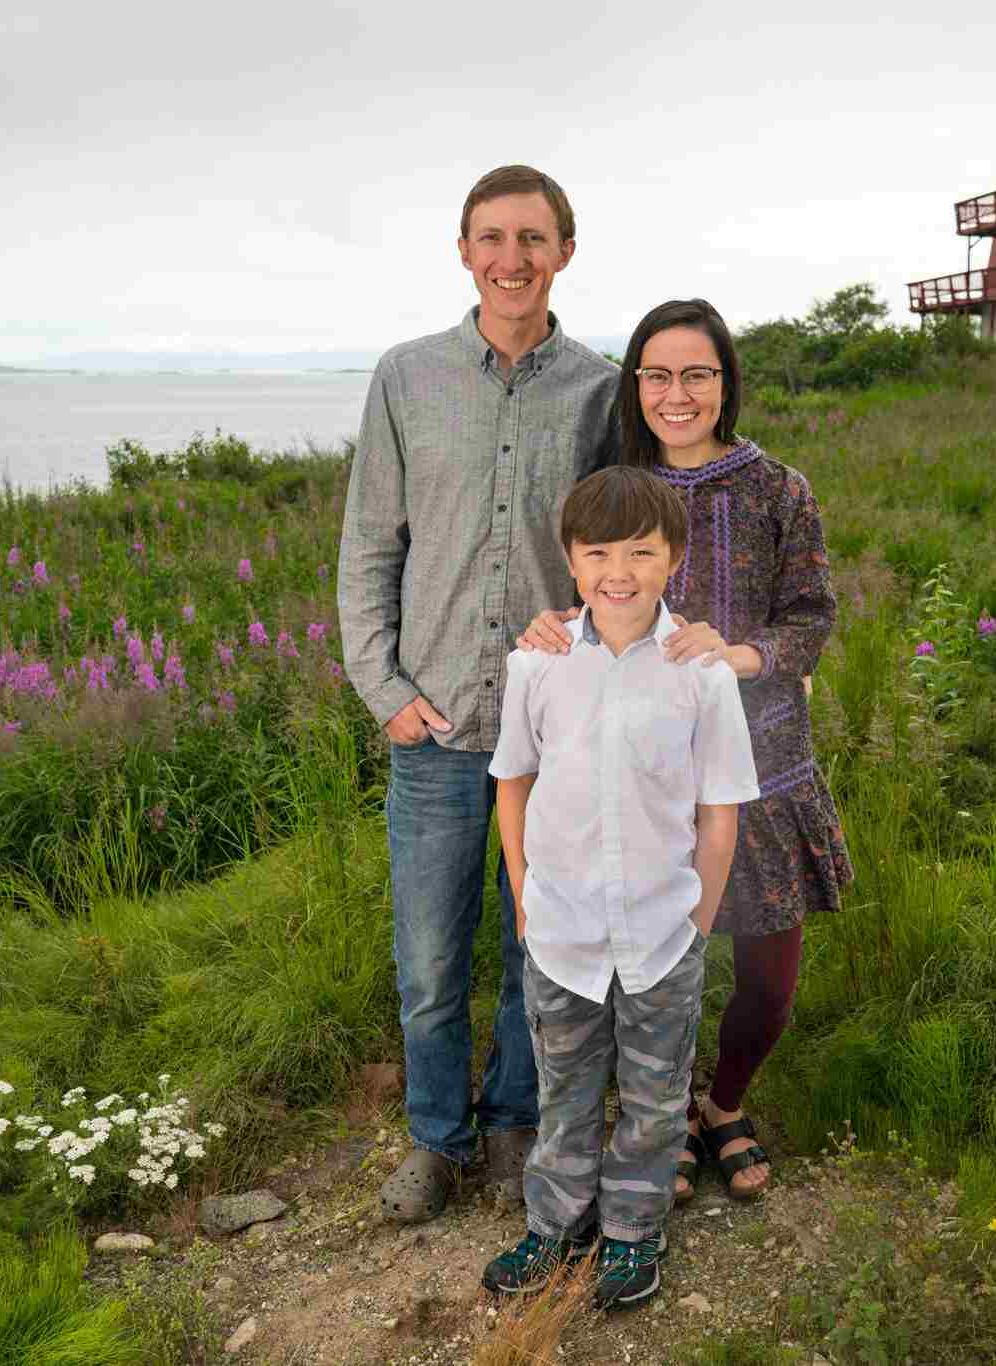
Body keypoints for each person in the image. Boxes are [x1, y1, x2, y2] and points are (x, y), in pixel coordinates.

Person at [520, 298, 853, 1202]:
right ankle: (653, 1116)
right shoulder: (612, 485)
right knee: (635, 973)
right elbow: (575, 589)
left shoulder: (777, 488)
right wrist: (549, 627)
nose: (678, 393)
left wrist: (739, 653)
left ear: (723, 382)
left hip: (763, 765)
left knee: (766, 980)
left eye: (696, 374)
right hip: (631, 781)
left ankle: (723, 1100)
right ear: (637, 385)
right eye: (658, 375)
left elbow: (811, 617)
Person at [337, 166, 617, 1222]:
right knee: (429, 960)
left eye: (533, 238)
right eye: (493, 237)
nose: (513, 258)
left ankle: (510, 1126)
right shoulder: (405, 378)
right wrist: (385, 689)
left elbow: (620, 557)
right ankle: (434, 1140)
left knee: (537, 948)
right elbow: (369, 544)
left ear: (563, 252)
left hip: (556, 732)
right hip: (438, 725)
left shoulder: (600, 388)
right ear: (463, 251)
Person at [481, 466, 758, 1309]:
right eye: (598, 551)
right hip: (560, 928)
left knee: (652, 1095)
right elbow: (514, 784)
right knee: (562, 1089)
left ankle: (634, 1235)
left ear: (671, 558)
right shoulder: (539, 662)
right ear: (570, 560)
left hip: (661, 930)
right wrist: (526, 895)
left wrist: (697, 918)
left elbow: (718, 814)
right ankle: (554, 1226)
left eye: (640, 552)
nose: (619, 571)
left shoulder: (699, 671)